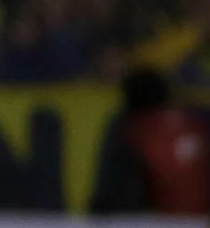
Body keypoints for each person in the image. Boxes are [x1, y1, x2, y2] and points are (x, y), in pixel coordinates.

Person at [90, 67, 210, 215]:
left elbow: (117, 197)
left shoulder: (134, 130)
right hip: (193, 220)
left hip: (155, 224)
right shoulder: (196, 123)